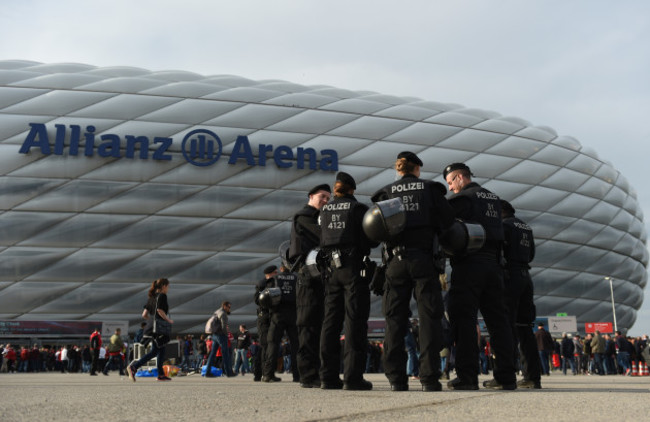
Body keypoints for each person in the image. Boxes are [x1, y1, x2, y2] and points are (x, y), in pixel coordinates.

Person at [372, 152, 455, 392]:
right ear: (417, 169)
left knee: (394, 320)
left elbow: (375, 229)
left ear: (399, 170)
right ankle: (429, 378)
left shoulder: (385, 192)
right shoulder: (431, 190)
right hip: (424, 261)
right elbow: (449, 221)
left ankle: (396, 379)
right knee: (429, 319)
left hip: (395, 263)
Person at [443, 162, 516, 390]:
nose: (451, 189)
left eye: (450, 183)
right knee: (498, 324)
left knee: (464, 321)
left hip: (469, 265)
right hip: (494, 267)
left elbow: (441, 219)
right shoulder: (493, 199)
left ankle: (467, 377)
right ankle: (506, 378)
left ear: (459, 178)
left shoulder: (465, 198)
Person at [319, 171, 377, 390]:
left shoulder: (324, 210)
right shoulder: (358, 209)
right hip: (353, 269)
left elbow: (321, 239)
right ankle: (353, 378)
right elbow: (370, 241)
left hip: (332, 270)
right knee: (354, 322)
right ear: (352, 189)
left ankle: (328, 377)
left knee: (330, 323)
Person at [288, 183, 331, 388]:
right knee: (307, 326)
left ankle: (315, 373)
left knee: (317, 326)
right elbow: (323, 236)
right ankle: (307, 375)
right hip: (307, 276)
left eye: (328, 198)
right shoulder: (304, 216)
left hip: (318, 276)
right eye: (322, 196)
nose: (325, 201)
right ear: (311, 195)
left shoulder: (317, 217)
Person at [500, 199, 542, 389]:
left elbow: (499, 252)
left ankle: (505, 376)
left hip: (511, 277)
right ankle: (532, 377)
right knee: (525, 328)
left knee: (506, 327)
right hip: (526, 277)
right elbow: (531, 254)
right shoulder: (526, 227)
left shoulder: (504, 226)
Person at [127, 278, 174, 382]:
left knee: (160, 350)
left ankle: (161, 374)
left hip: (151, 328)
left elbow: (144, 315)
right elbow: (160, 310)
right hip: (159, 329)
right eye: (168, 286)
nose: (168, 289)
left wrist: (152, 321)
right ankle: (134, 367)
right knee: (155, 351)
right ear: (163, 286)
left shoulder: (151, 298)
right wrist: (168, 320)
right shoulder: (162, 296)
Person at [262, 265, 299, 383]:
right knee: (296, 345)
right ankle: (297, 375)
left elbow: (266, 297)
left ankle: (268, 374)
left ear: (281, 269)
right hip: (294, 314)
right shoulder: (296, 278)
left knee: (272, 343)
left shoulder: (275, 279)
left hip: (277, 314)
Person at [253, 265, 278, 381]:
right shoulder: (262, 284)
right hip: (264, 317)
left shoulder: (272, 283)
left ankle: (265, 373)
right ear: (270, 274)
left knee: (268, 345)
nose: (277, 274)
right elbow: (257, 300)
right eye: (275, 272)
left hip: (268, 316)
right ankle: (262, 373)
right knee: (265, 345)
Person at [204, 301, 234, 378]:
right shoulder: (223, 314)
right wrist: (226, 335)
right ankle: (228, 372)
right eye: (229, 307)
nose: (229, 309)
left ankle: (207, 372)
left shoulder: (217, 311)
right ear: (224, 306)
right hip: (221, 335)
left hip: (215, 335)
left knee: (212, 354)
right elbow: (224, 326)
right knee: (226, 354)